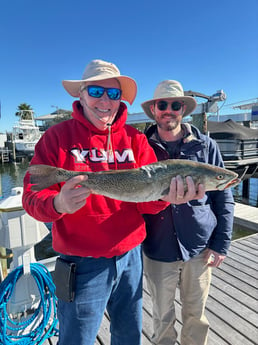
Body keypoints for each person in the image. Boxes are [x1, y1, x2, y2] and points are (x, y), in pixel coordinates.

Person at [22, 61, 204, 345]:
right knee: (76, 339)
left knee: (129, 337)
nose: (105, 100)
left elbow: (145, 202)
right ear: (81, 95)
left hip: (131, 257)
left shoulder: (135, 140)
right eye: (96, 91)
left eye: (113, 94)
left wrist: (165, 198)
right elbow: (32, 198)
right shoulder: (56, 138)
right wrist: (58, 203)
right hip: (81, 263)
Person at [141, 80, 235, 345]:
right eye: (162, 105)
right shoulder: (140, 148)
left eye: (175, 105)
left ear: (183, 109)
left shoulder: (206, 146)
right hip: (157, 248)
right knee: (161, 317)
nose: (168, 110)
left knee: (196, 316)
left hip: (199, 248)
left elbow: (224, 199)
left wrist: (221, 244)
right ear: (154, 110)